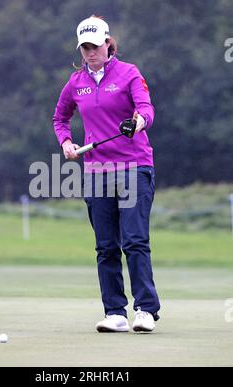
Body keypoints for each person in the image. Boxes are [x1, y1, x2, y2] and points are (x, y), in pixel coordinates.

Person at [53, 15, 160, 333]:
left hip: (133, 166)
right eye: (84, 47)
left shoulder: (129, 73)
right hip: (96, 171)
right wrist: (67, 142)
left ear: (107, 43)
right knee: (106, 246)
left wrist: (137, 122)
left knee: (135, 240)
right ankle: (115, 312)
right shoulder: (76, 83)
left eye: (95, 46)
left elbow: (147, 109)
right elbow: (60, 118)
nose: (90, 52)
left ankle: (146, 310)